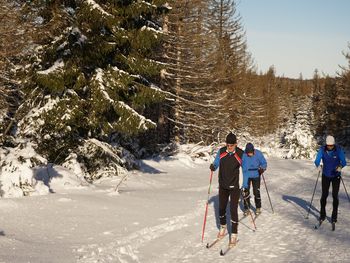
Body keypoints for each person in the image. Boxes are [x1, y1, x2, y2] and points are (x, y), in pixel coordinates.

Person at [209, 132, 244, 247]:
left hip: (235, 187)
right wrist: (214, 166)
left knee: (233, 210)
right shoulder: (222, 151)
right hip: (223, 185)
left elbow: (246, 169)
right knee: (221, 208)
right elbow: (216, 162)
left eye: (232, 145)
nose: (229, 147)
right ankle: (223, 227)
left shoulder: (240, 154)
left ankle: (234, 233)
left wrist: (246, 185)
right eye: (228, 145)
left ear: (236, 144)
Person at [314, 135, 347, 225]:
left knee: (335, 196)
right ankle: (322, 215)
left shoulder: (338, 150)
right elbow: (317, 160)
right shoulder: (322, 150)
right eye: (328, 145)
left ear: (334, 144)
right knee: (324, 196)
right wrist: (318, 166)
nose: (330, 147)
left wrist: (340, 166)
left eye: (331, 145)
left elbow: (344, 162)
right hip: (326, 175)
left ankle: (334, 217)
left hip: (336, 176)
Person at [241, 143, 267, 216]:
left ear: (253, 150)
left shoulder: (258, 153)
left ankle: (258, 207)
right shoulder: (243, 155)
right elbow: (239, 164)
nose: (250, 154)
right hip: (246, 175)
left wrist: (262, 169)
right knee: (246, 192)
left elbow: (264, 163)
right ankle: (247, 208)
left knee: (256, 191)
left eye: (251, 152)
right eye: (248, 152)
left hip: (256, 174)